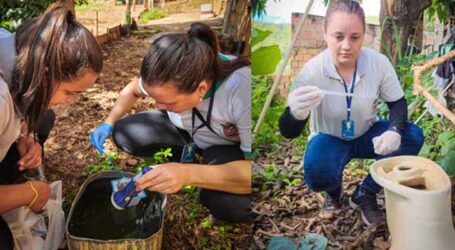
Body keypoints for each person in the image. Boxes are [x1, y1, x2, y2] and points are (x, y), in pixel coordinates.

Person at [279, 0, 424, 225]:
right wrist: (295, 113)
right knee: (317, 170)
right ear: (325, 34)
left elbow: (397, 103)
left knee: (412, 136)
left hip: (368, 134)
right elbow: (288, 131)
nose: (346, 45)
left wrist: (394, 131)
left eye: (355, 37)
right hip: (330, 138)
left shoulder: (378, 63)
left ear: (364, 36)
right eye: (338, 37)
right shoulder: (311, 72)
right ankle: (333, 192)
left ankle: (365, 193)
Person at [90, 22, 252, 223]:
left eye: (167, 102)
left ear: (201, 89)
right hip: (186, 130)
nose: (157, 106)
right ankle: (186, 156)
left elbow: (254, 173)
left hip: (221, 145)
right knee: (125, 132)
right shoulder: (173, 73)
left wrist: (188, 174)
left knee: (229, 204)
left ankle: (197, 163)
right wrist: (109, 122)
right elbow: (132, 89)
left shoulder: (241, 90)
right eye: (155, 98)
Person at [0, 4, 103, 249]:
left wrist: (25, 136)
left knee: (43, 119)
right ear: (45, 73)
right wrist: (29, 194)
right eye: (69, 92)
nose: (70, 101)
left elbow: (22, 99)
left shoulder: (17, 50)